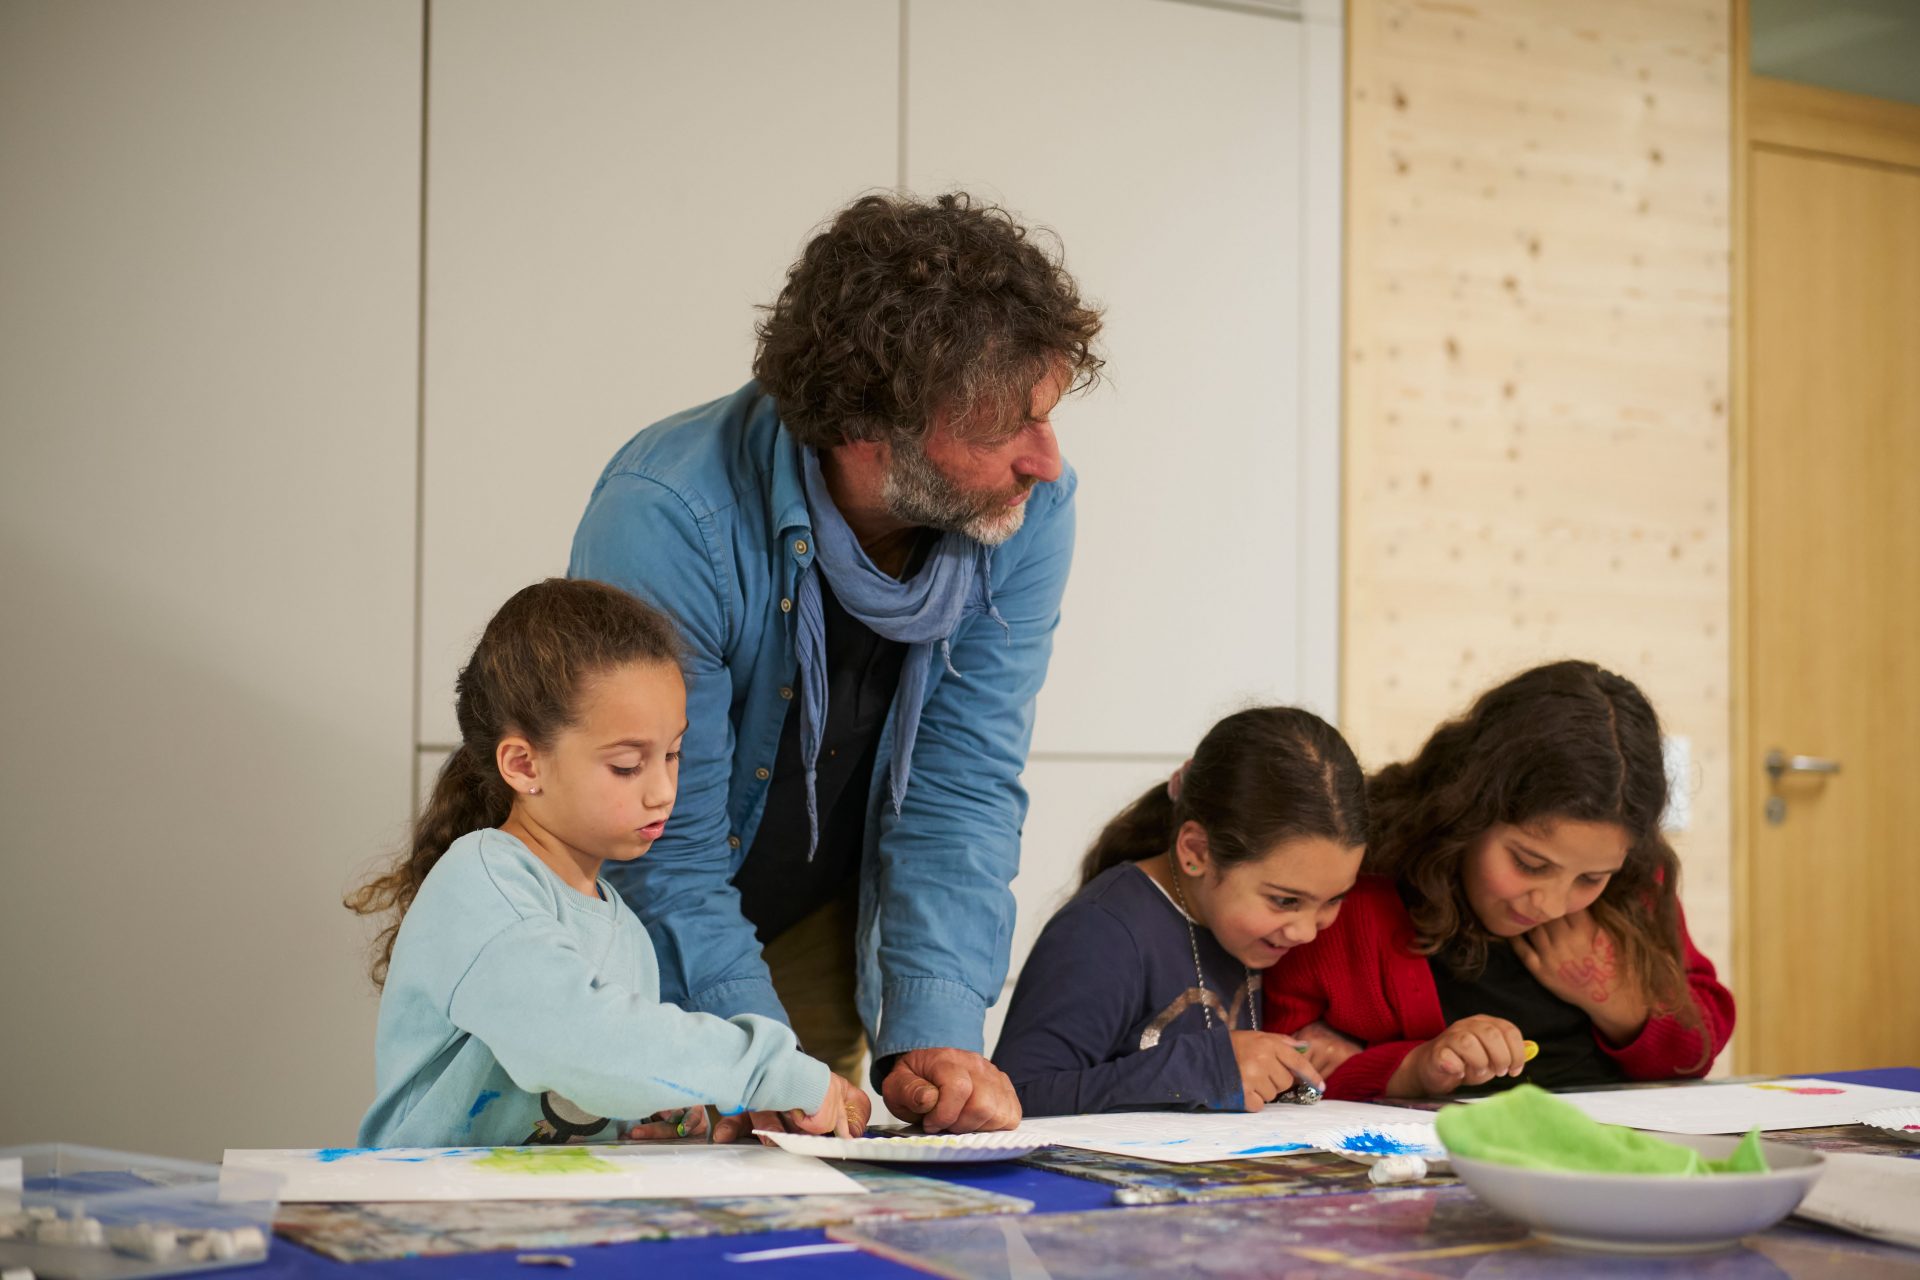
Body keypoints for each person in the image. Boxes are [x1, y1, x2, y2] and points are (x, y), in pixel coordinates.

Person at [570, 192, 1103, 1135]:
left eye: (1049, 415)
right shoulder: (668, 514)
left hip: (823, 910)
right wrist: (763, 1062)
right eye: (1004, 427)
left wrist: (935, 1032)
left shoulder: (1029, 515)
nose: (1047, 462)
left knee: (811, 1192)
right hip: (631, 912)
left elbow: (961, 784)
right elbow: (660, 839)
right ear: (872, 427)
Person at [348, 579, 867, 1146]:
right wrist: (770, 1069)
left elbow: (597, 1080)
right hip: (424, 1214)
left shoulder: (626, 931)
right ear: (523, 765)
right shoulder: (481, 885)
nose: (663, 791)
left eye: (672, 754)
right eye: (627, 766)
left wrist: (659, 1107)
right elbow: (578, 1042)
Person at [1264, 660, 1735, 1100]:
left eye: (1591, 877)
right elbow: (1289, 1063)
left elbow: (1696, 1049)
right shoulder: (1360, 883)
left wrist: (1619, 1001)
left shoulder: (1633, 886)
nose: (1551, 904)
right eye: (1530, 864)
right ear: (1468, 810)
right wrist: (1403, 1065)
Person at [993, 708, 1367, 1116]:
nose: (1307, 932)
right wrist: (1203, 1069)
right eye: (1285, 901)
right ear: (1196, 852)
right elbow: (1017, 1093)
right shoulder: (1103, 932)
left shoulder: (1259, 931)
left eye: (1333, 900)